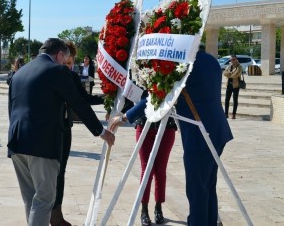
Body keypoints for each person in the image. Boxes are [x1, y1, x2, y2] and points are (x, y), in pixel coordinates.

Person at [8, 38, 115, 226]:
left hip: (17, 142)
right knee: (43, 201)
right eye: (64, 59)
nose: (65, 63)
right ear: (59, 55)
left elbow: (12, 109)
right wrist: (101, 131)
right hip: (42, 145)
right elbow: (78, 103)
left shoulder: (19, 72)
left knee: (30, 199)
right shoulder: (57, 70)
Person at [176, 48, 233, 226]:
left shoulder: (184, 64)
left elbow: (156, 95)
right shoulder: (211, 60)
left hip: (199, 135)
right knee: (207, 187)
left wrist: (126, 116)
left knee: (197, 192)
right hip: (217, 131)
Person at [50, 41, 104, 226]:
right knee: (49, 173)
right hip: (49, 130)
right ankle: (49, 211)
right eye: (65, 63)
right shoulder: (49, 75)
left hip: (65, 128)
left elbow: (85, 99)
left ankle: (57, 212)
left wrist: (109, 97)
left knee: (61, 171)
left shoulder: (72, 77)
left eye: (70, 64)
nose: (68, 67)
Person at [109, 94, 176, 225]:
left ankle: (158, 207)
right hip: (144, 123)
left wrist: (124, 117)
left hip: (166, 125)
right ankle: (144, 210)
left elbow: (157, 95)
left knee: (160, 170)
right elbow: (131, 93)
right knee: (146, 171)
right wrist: (114, 108)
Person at [223, 55, 243, 119]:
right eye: (231, 60)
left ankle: (233, 114)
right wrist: (230, 74)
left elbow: (235, 75)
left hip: (235, 85)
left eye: (233, 59)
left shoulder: (239, 66)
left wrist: (229, 74)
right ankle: (226, 114)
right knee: (226, 100)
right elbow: (224, 73)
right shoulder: (229, 66)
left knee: (235, 100)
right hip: (228, 85)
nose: (232, 61)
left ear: (236, 59)